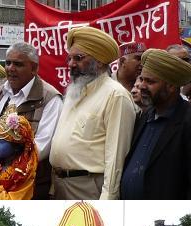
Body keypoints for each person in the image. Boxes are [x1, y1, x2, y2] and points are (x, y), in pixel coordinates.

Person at [49, 26, 135, 200]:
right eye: (70, 58)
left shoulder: (115, 95)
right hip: (59, 184)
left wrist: (108, 199)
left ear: (100, 61)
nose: (71, 64)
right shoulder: (74, 91)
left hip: (88, 188)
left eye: (79, 58)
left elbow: (116, 157)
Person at [0, 42, 62, 199]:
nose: (11, 68)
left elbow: (41, 148)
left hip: (24, 186)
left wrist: (3, 163)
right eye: (8, 63)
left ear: (34, 68)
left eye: (18, 64)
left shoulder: (50, 98)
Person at [120, 49, 191, 199]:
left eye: (150, 81)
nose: (142, 86)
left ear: (171, 86)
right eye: (142, 79)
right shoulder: (145, 115)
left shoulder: (186, 119)